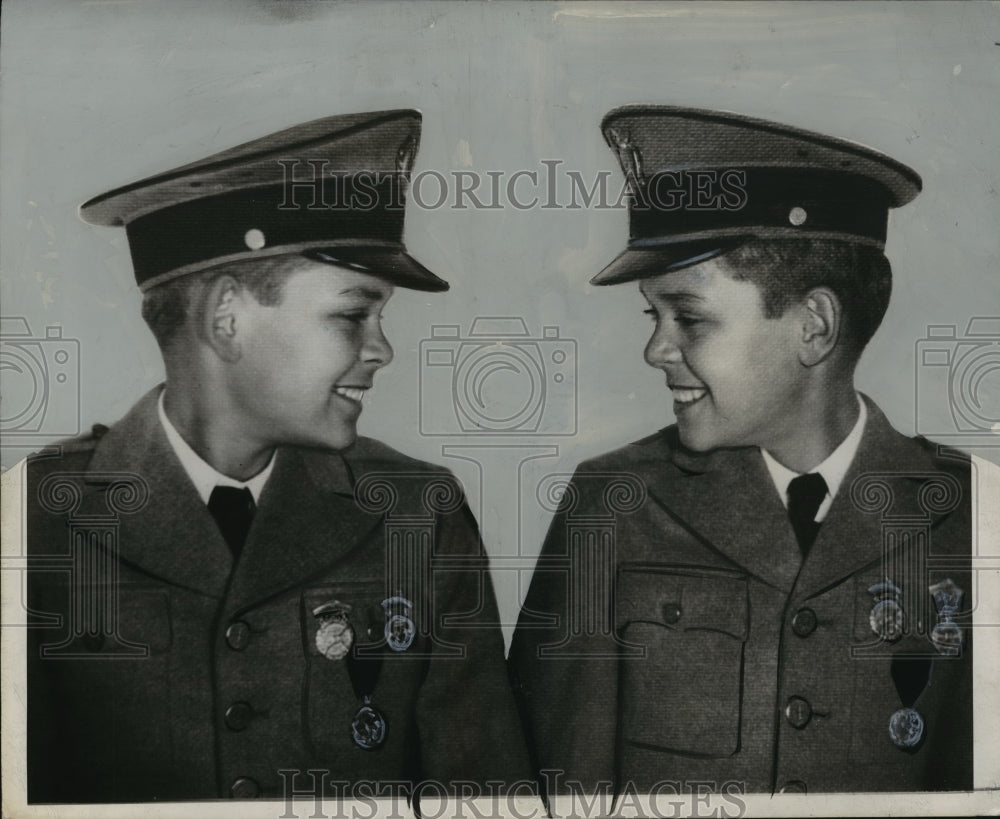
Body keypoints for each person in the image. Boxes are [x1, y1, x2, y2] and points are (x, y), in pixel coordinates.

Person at [26, 110, 529, 802]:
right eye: (354, 314)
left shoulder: (418, 513)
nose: (381, 349)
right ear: (227, 317)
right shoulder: (34, 518)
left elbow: (486, 795)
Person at [509, 106, 973, 796]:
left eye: (689, 318)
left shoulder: (972, 515)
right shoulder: (612, 506)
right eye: (654, 316)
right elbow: (550, 789)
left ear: (813, 327)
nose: (655, 349)